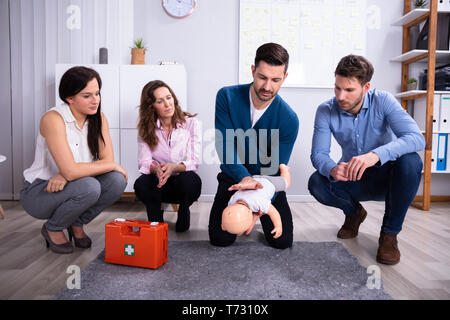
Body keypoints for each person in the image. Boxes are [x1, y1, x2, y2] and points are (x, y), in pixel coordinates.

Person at [308, 54, 425, 265]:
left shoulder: (384, 101)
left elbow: (417, 138)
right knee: (317, 182)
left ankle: (389, 235)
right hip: (353, 179)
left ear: (366, 86)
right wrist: (333, 169)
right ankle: (354, 213)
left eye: (349, 90)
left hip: (387, 179)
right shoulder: (325, 110)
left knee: (411, 161)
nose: (341, 96)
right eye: (337, 88)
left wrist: (375, 155)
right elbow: (318, 155)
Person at [20, 66, 128, 254]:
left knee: (117, 180)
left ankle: (76, 223)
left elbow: (103, 161)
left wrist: (68, 174)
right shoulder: (53, 119)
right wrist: (72, 172)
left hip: (74, 184)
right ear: (69, 98)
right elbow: (104, 163)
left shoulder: (99, 118)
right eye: (87, 96)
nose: (95, 100)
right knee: (90, 185)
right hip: (40, 191)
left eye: (97, 93)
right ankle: (53, 228)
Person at [209, 42, 299, 249]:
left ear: (284, 78)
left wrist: (259, 204)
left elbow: (275, 170)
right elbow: (225, 146)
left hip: (266, 184)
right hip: (234, 178)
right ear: (252, 71)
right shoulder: (226, 97)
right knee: (220, 238)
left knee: (282, 242)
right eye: (262, 77)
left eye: (276, 80)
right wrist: (245, 180)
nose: (268, 87)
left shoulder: (289, 119)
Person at [134, 80, 202, 232]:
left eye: (169, 97)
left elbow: (194, 161)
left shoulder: (191, 123)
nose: (167, 104)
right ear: (151, 106)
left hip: (181, 179)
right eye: (160, 101)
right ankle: (156, 218)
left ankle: (184, 210)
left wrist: (173, 167)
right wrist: (157, 169)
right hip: (159, 180)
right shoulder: (146, 129)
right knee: (141, 184)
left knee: (192, 182)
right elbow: (144, 162)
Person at [222, 164, 291, 239]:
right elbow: (228, 212)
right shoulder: (232, 201)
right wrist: (225, 224)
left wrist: (278, 226)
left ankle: (285, 169)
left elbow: (274, 212)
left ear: (250, 213)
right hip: (253, 178)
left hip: (270, 182)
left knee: (286, 183)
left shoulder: (258, 202)